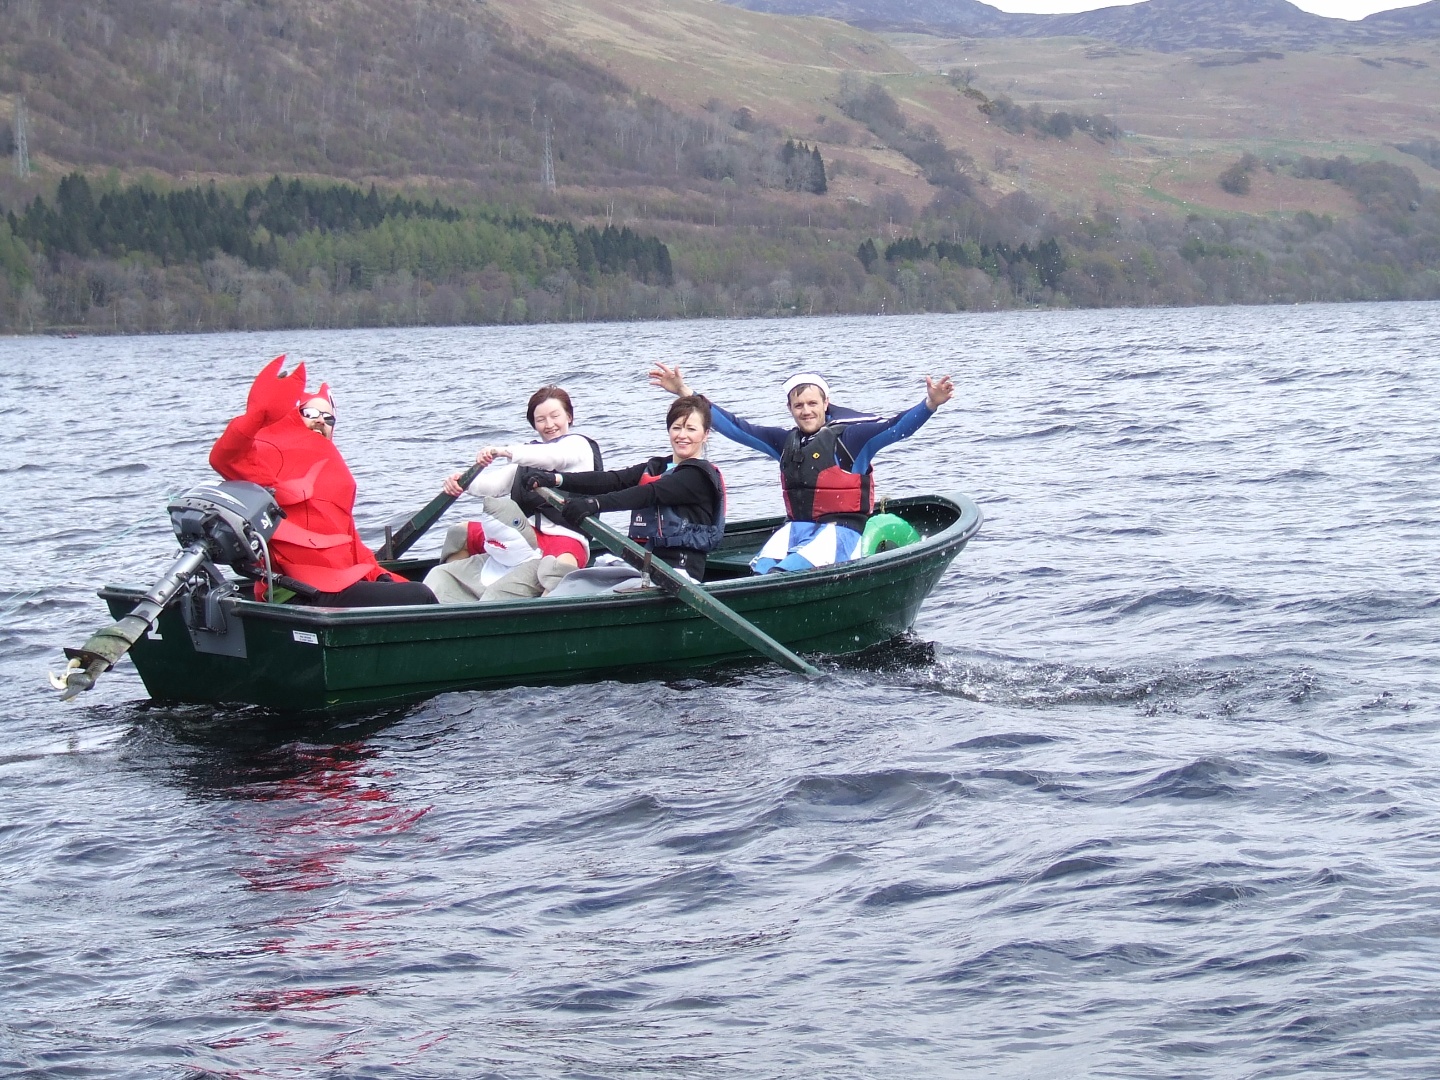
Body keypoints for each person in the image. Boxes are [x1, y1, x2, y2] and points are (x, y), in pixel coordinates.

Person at [648, 363, 953, 574]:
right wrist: (685, 392)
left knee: (785, 574)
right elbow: (736, 428)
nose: (806, 410)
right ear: (790, 409)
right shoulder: (784, 442)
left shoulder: (853, 439)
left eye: (812, 403)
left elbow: (897, 427)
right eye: (798, 405)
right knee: (761, 571)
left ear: (825, 403)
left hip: (842, 532)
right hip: (796, 530)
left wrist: (930, 404)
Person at [209, 356, 437, 606]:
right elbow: (225, 456)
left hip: (337, 583)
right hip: (298, 590)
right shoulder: (267, 457)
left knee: (410, 587)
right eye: (311, 413)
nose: (321, 420)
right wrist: (257, 416)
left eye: (329, 418)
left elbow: (351, 544)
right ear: (293, 416)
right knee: (419, 596)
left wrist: (378, 574)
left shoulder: (334, 475)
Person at [520, 394, 725, 591]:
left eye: (691, 429)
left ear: (705, 434)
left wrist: (595, 504)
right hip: (641, 564)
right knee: (573, 583)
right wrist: (557, 479)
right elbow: (612, 480)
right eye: (677, 427)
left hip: (677, 574)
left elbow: (648, 493)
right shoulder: (657, 467)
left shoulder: (697, 476)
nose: (682, 435)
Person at [423, 384, 602, 603]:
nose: (549, 425)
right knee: (459, 533)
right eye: (541, 420)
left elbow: (553, 457)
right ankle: (453, 601)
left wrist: (504, 451)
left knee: (560, 567)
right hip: (525, 537)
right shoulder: (528, 457)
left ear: (569, 417)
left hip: (565, 538)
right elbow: (492, 485)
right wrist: (462, 481)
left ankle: (543, 609)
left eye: (555, 416)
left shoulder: (577, 446)